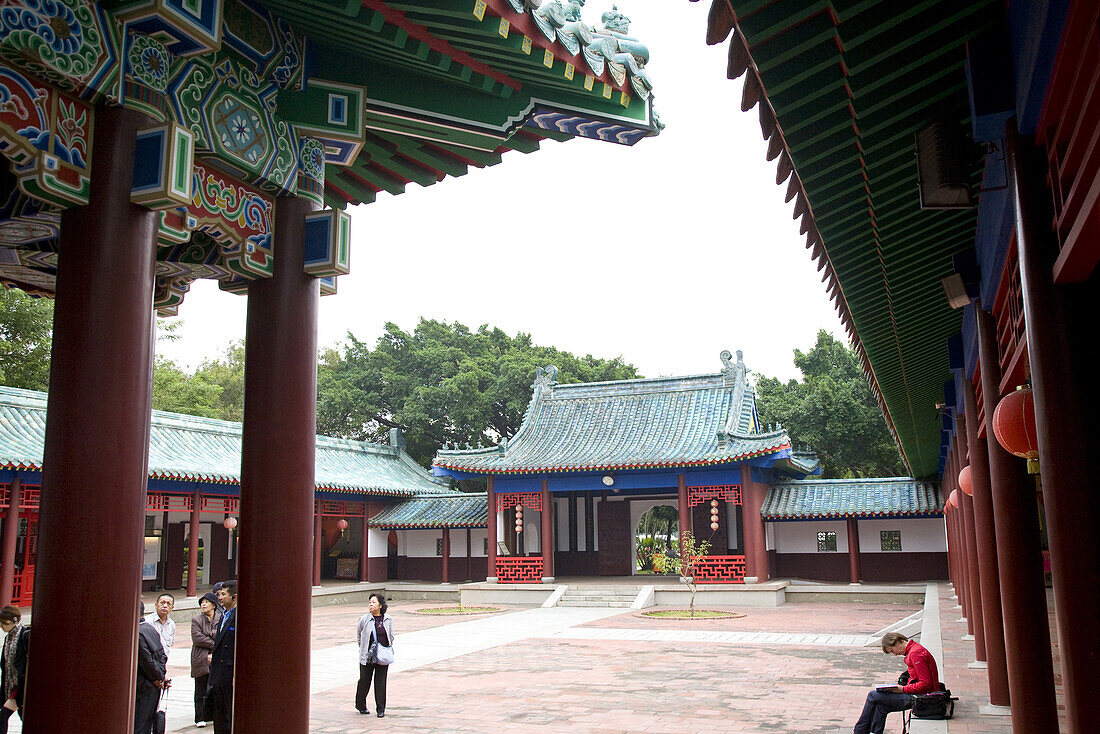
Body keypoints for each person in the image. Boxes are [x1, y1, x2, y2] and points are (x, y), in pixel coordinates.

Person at [853, 631, 940, 734]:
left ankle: (859, 731)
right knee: (881, 706)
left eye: (892, 651)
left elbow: (926, 684)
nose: (895, 654)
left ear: (897, 642)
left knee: (873, 695)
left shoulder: (915, 654)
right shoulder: (914, 650)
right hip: (920, 694)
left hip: (922, 697)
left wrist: (902, 689)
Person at [355, 593, 395, 718]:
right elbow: (359, 637)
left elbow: (391, 636)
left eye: (373, 602)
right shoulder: (364, 619)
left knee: (381, 682)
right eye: (370, 602)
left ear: (380, 605)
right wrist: (365, 650)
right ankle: (360, 705)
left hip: (382, 656)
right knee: (364, 681)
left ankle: (381, 709)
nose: (371, 605)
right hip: (368, 656)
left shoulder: (388, 619)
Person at [206, 581, 237, 733]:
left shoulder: (237, 616)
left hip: (229, 670)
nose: (220, 597)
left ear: (234, 597)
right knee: (219, 711)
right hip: (218, 670)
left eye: (224, 594)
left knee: (228, 711)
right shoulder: (223, 615)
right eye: (219, 594)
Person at [136, 601, 169, 734]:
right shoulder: (150, 629)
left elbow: (146, 660)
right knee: (145, 724)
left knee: (139, 726)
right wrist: (160, 676)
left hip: (143, 685)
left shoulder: (137, 633)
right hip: (153, 685)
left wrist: (158, 678)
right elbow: (162, 655)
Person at [191, 592, 222, 729]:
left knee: (216, 688)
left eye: (206, 602)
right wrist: (215, 641)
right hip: (201, 658)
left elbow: (221, 634)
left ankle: (212, 714)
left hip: (216, 658)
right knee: (200, 688)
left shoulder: (220, 618)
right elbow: (198, 638)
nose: (203, 604)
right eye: (202, 602)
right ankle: (199, 717)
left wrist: (210, 635)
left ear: (213, 605)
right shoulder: (196, 620)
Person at [145, 593, 175, 733]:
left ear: (172, 607)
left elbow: (167, 649)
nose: (165, 606)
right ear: (156, 604)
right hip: (149, 670)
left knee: (155, 708)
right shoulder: (148, 622)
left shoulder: (171, 624)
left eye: (168, 604)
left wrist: (163, 674)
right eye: (162, 602)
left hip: (161, 669)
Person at [0, 605, 28, 732]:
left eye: (3, 623)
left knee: (3, 716)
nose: (1, 626)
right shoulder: (8, 638)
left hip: (20, 687)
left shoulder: (24, 636)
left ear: (12, 621)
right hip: (11, 686)